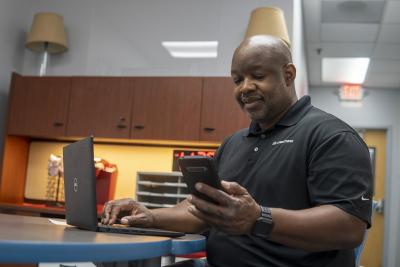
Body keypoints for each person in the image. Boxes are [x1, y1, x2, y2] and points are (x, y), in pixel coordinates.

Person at [102, 35, 373, 267]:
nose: (245, 87)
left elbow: (349, 226)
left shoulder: (331, 136)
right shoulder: (233, 143)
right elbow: (201, 211)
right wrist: (148, 216)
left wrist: (259, 219)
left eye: (257, 76)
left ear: (288, 74)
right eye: (237, 79)